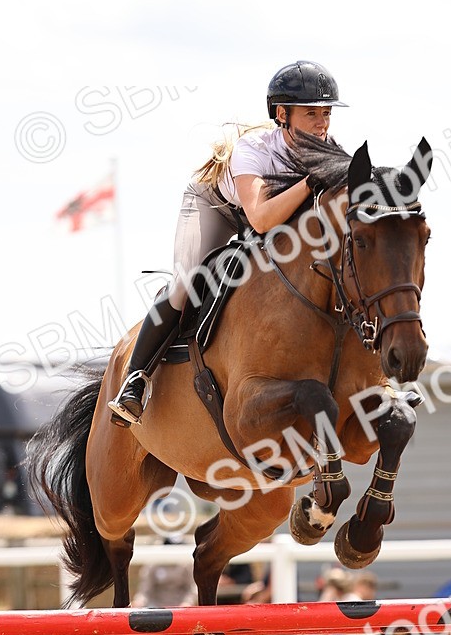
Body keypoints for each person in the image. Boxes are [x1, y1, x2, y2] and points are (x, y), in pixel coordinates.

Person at [108, 60, 348, 425]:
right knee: (186, 284)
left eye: (326, 113)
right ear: (282, 114)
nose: (322, 123)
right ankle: (135, 380)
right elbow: (261, 218)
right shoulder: (254, 149)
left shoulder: (330, 148)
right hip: (217, 208)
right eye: (311, 113)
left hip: (270, 221)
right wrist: (311, 183)